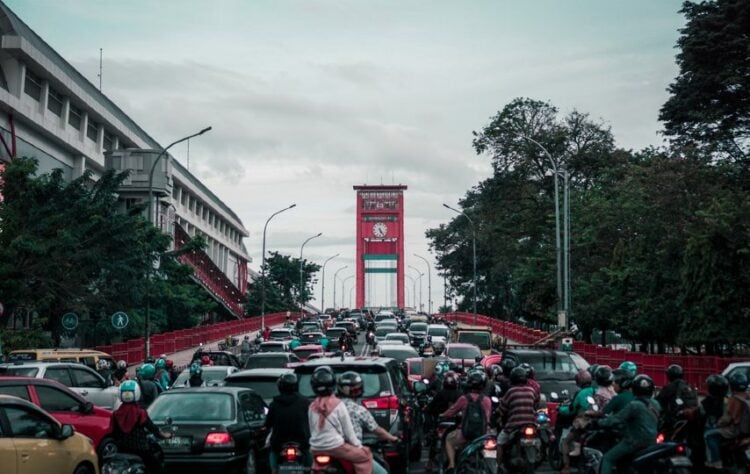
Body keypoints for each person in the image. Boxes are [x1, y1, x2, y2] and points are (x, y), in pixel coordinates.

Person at [308, 366, 373, 474]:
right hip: (336, 447)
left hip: (315, 448)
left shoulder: (311, 406)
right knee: (366, 456)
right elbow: (349, 433)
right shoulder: (338, 404)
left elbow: (312, 431)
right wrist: (359, 447)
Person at [595, 374, 660, 474]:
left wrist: (599, 422)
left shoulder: (634, 405)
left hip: (634, 442)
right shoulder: (655, 404)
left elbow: (616, 419)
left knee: (607, 458)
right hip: (652, 441)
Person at [338, 372, 399, 474]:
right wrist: (392, 438)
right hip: (351, 451)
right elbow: (377, 430)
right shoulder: (358, 409)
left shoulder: (329, 407)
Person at [112, 380, 172, 473]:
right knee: (157, 468)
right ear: (136, 393)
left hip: (121, 450)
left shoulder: (116, 414)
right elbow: (152, 428)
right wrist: (164, 435)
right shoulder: (140, 413)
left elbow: (112, 432)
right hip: (140, 450)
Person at [440, 369, 492, 473]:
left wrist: (441, 415)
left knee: (449, 440)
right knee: (490, 454)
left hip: (464, 434)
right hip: (484, 435)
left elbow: (451, 411)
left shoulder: (464, 398)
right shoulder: (487, 400)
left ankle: (451, 465)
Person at [266, 373, 312, 473]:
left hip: (279, 442)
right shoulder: (305, 403)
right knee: (309, 456)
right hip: (302, 441)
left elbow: (268, 423)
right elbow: (312, 420)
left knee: (272, 452)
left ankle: (274, 470)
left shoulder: (274, 404)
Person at [704, 372, 750, 469]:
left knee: (708, 435)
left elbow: (726, 419)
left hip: (735, 430)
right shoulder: (748, 397)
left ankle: (715, 462)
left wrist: (717, 424)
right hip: (746, 431)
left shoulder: (734, 400)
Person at [496, 367, 538, 473]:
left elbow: (502, 409)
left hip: (514, 425)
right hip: (531, 424)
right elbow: (535, 406)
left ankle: (498, 465)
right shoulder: (532, 390)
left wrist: (496, 415)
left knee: (499, 442)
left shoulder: (511, 392)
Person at [558, 369, 596, 474]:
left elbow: (571, 410)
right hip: (595, 422)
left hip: (583, 423)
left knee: (566, 442)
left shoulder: (579, 394)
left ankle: (566, 467)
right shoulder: (595, 390)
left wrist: (560, 409)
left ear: (579, 381)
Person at [425, 371, 461, 472]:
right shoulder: (460, 394)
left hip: (442, 423)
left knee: (433, 440)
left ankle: (430, 463)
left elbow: (429, 408)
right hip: (455, 424)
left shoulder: (440, 393)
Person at [655, 364, 697, 433]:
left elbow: (658, 400)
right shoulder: (689, 387)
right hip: (690, 419)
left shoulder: (670, 387)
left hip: (675, 419)